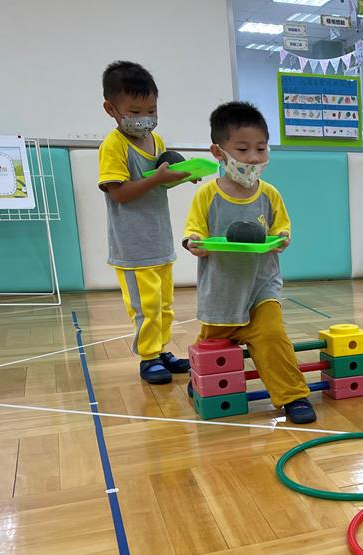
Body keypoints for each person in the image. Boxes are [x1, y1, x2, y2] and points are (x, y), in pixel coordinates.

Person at [182, 101, 315, 424]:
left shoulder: (269, 194)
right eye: (242, 150)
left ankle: (292, 395)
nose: (254, 158)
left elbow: (282, 227)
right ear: (218, 152)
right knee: (212, 344)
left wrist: (282, 237)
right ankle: (199, 376)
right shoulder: (207, 196)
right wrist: (194, 243)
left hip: (261, 286)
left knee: (272, 336)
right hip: (222, 291)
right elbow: (193, 232)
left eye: (261, 148)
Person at [98, 60, 190, 384]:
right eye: (135, 112)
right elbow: (119, 194)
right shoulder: (113, 146)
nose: (145, 118)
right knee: (146, 306)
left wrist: (180, 177)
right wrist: (158, 179)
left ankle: (160, 350)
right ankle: (148, 357)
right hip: (133, 247)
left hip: (159, 240)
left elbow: (157, 183)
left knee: (164, 305)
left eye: (151, 110)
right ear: (111, 109)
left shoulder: (157, 141)